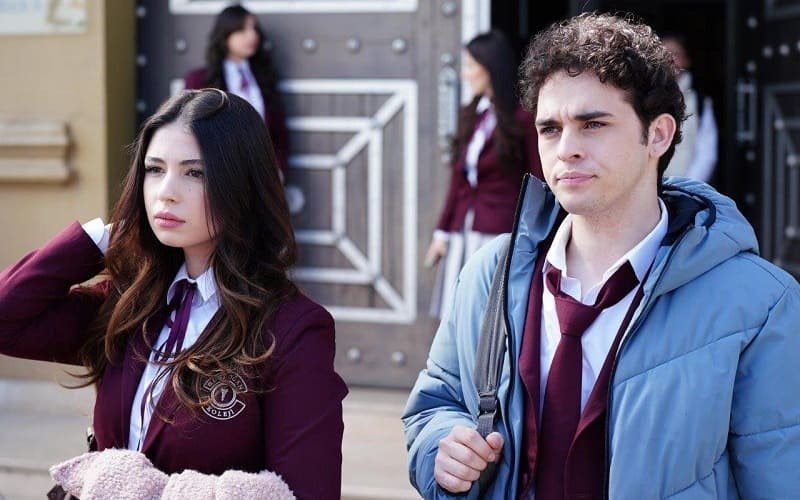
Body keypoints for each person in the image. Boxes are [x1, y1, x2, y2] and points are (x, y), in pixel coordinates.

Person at [403, 13, 800, 499]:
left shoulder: (760, 303)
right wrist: (441, 449)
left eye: (593, 124)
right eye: (550, 129)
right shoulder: (490, 273)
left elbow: (780, 477)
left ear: (658, 135)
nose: (566, 149)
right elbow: (435, 404)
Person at [0, 89, 347, 499]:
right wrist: (100, 239)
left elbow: (307, 492)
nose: (165, 191)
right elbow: (7, 317)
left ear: (241, 185)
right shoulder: (129, 302)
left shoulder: (293, 330)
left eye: (194, 173)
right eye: (154, 169)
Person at [426, 30, 542, 319]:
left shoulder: (522, 118)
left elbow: (537, 180)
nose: (465, 74)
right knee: (458, 313)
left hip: (499, 233)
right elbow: (458, 180)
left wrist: (534, 234)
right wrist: (442, 232)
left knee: (487, 313)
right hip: (464, 231)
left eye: (470, 66)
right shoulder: (472, 114)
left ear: (490, 67)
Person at [184, 4, 290, 178]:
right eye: (242, 30)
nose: (252, 35)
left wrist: (278, 171)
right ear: (225, 34)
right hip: (218, 176)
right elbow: (190, 132)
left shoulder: (265, 77)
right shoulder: (200, 80)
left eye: (254, 29)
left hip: (261, 176)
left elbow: (279, 133)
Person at [661, 33, 718, 183]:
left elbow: (706, 153)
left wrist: (687, 186)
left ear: (686, 60)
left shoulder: (699, 102)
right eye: (663, 54)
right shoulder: (642, 99)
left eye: (675, 54)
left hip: (686, 186)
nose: (669, 60)